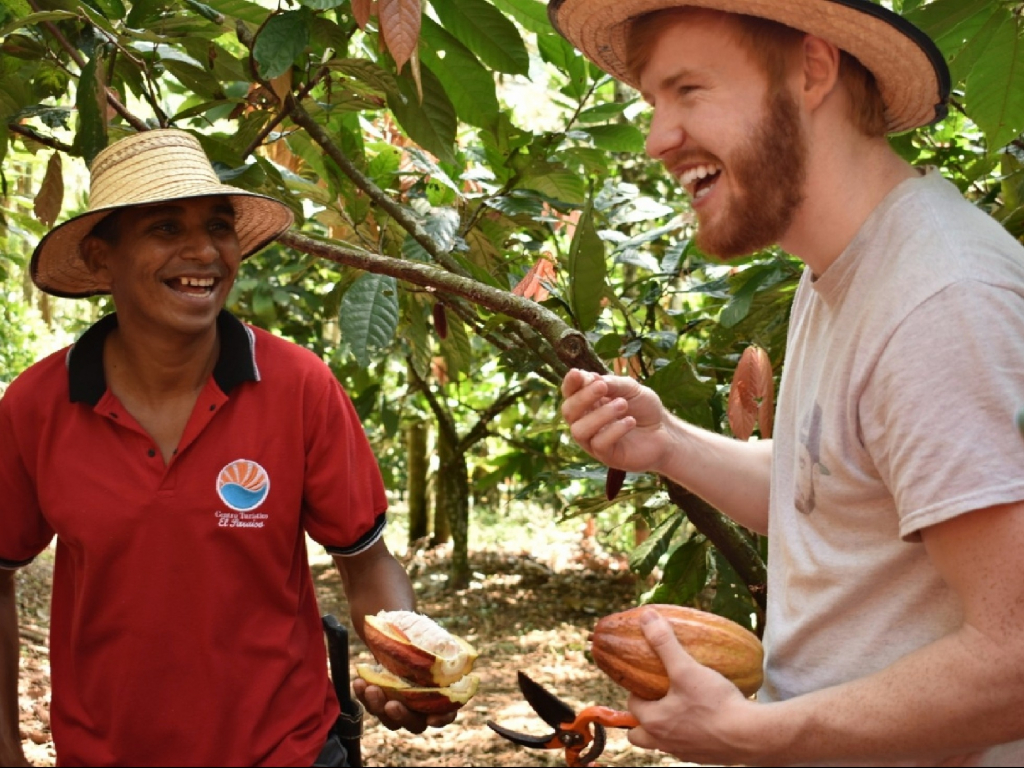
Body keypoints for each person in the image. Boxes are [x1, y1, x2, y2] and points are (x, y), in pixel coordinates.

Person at [550, 0, 1024, 765]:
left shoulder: (943, 300)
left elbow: (1016, 659)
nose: (656, 138)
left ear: (812, 69)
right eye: (653, 102)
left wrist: (754, 735)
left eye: (689, 91)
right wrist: (667, 442)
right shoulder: (841, 269)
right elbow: (835, 490)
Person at [0, 129, 453, 767]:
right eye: (165, 228)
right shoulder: (35, 408)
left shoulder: (299, 387)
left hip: (289, 751)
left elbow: (367, 561)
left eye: (218, 226)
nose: (204, 251)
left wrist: (409, 664)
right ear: (102, 259)